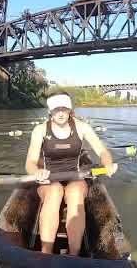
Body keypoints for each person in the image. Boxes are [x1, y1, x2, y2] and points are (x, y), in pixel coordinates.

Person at [25, 91, 117, 255]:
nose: (60, 113)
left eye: (64, 108)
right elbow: (30, 163)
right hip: (49, 178)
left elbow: (102, 151)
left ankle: (73, 254)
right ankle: (46, 253)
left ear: (70, 110)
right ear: (50, 111)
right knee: (55, 191)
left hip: (76, 177)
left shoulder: (81, 127)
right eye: (56, 109)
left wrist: (108, 163)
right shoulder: (39, 130)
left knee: (75, 193)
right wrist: (36, 172)